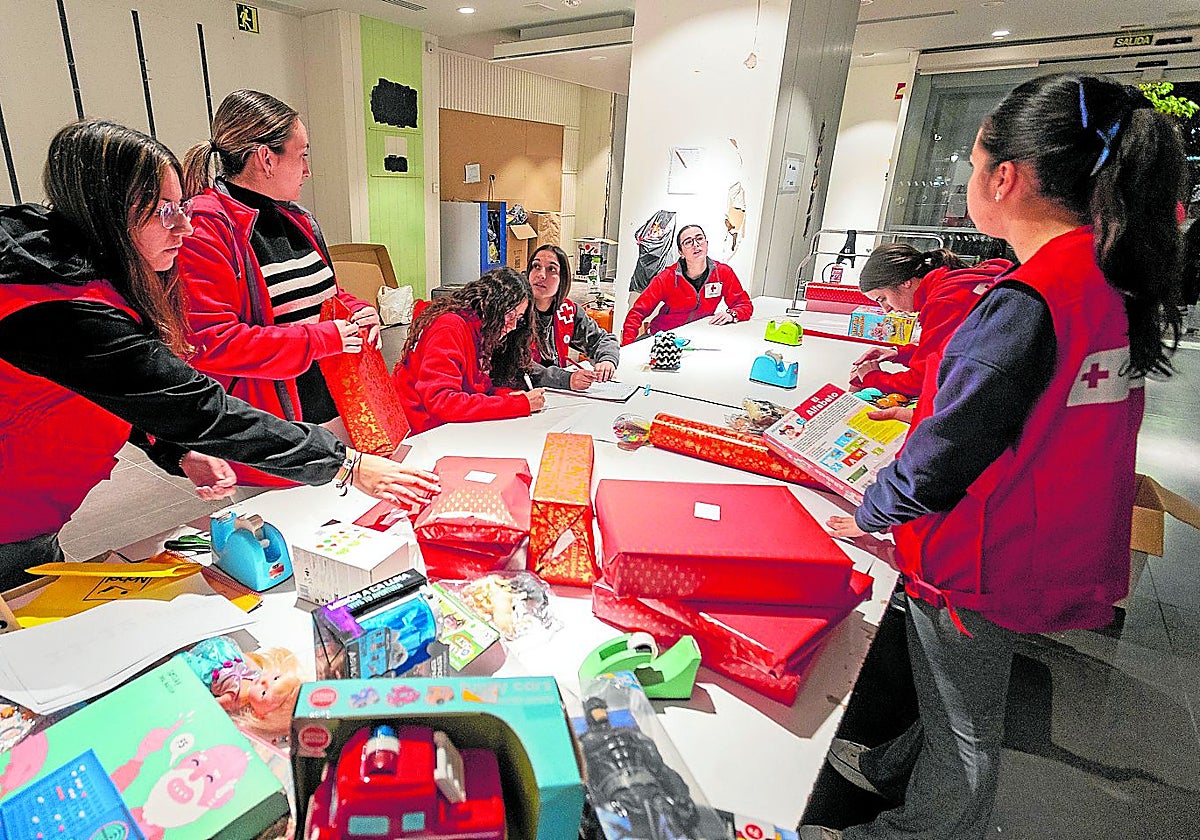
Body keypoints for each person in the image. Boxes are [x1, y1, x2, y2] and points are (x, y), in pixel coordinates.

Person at [808, 73, 1186, 840]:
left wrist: (871, 510)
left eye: (973, 164)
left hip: (983, 549)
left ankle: (919, 829)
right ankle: (887, 767)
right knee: (951, 686)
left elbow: (954, 444)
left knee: (965, 721)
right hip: (1048, 534)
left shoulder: (1028, 299)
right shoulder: (1106, 274)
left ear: (1004, 178)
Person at [0, 120, 438, 591]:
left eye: (180, 207)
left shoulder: (95, 272)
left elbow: (114, 387)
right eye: (163, 211)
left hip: (36, 512)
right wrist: (346, 465)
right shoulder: (59, 306)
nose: (182, 227)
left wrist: (172, 448)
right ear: (109, 215)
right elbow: (195, 395)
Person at [178, 89, 382, 486]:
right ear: (266, 158)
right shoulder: (207, 225)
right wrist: (323, 339)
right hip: (268, 431)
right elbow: (210, 341)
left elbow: (321, 295)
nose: (308, 170)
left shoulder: (296, 217)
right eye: (302, 154)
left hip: (331, 406)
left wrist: (355, 310)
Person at [848, 244, 1011, 400]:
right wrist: (900, 354)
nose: (886, 309)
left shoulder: (945, 302)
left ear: (905, 282)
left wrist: (873, 378)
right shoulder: (956, 283)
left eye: (882, 299)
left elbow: (923, 381)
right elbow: (949, 351)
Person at [392, 267, 544, 434]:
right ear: (490, 304)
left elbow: (474, 387)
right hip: (419, 433)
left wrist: (506, 396)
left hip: (439, 426)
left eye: (519, 318)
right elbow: (442, 402)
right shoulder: (450, 328)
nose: (513, 326)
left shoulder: (482, 329)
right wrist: (517, 404)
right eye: (510, 314)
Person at [621, 223, 752, 344]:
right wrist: (627, 346)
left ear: (706, 243)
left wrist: (732, 314)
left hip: (697, 339)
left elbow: (744, 305)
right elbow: (637, 313)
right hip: (662, 338)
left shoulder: (723, 273)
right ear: (681, 252)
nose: (696, 244)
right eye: (688, 242)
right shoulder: (667, 277)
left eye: (699, 238)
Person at [527, 244, 620, 390]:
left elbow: (602, 339)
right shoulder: (515, 313)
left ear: (563, 279)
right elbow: (516, 366)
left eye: (551, 269)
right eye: (536, 266)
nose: (541, 275)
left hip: (556, 395)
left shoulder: (567, 311)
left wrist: (607, 360)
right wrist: (566, 379)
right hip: (523, 395)